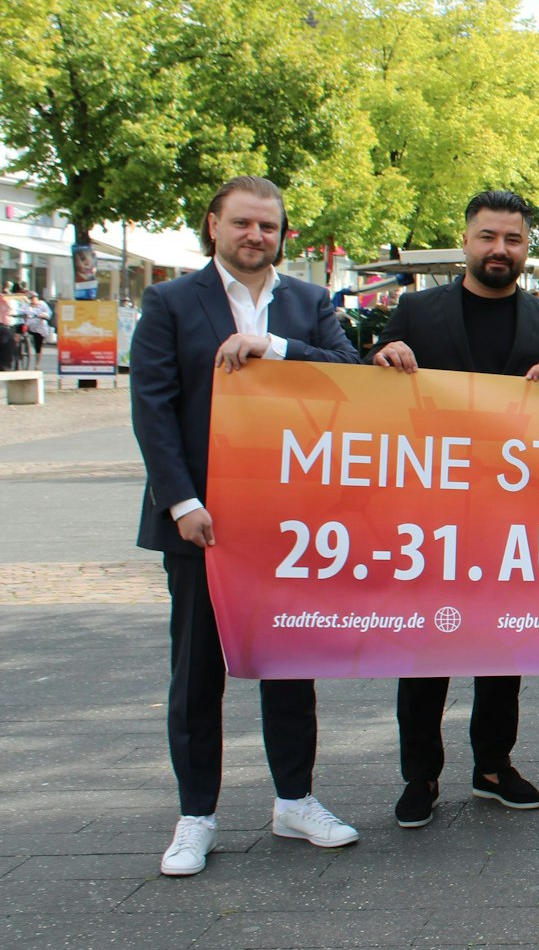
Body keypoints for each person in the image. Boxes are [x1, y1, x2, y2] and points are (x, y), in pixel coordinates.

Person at [130, 175, 363, 876]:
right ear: (213, 225)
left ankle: (295, 799)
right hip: (202, 523)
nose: (255, 235)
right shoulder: (170, 302)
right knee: (197, 673)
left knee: (289, 665)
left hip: (287, 522)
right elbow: (154, 409)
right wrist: (182, 502)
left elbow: (350, 379)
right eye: (242, 223)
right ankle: (195, 815)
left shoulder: (308, 301)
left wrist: (277, 348)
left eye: (268, 225)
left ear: (282, 233)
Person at [368, 189, 539, 828]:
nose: (500, 249)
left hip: (515, 518)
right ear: (466, 240)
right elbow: (368, 395)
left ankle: (494, 766)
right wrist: (383, 357)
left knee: (502, 650)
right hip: (429, 516)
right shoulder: (415, 311)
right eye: (489, 237)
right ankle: (420, 776)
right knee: (425, 651)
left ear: (525, 248)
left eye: (513, 239)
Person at [23, 291, 51, 363]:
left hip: (39, 327)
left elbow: (49, 313)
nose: (33, 299)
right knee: (18, 328)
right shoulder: (27, 306)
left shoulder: (42, 304)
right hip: (29, 325)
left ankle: (37, 363)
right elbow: (21, 311)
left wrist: (43, 315)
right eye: (31, 298)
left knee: (38, 345)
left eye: (34, 298)